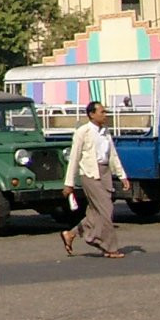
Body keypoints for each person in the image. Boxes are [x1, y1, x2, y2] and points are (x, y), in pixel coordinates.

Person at [61, 101, 129, 260]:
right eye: (102, 112)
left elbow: (112, 156)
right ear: (92, 114)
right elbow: (74, 158)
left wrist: (122, 176)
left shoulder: (105, 132)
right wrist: (69, 184)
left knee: (95, 214)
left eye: (105, 112)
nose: (105, 115)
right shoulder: (82, 132)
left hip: (105, 173)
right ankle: (110, 247)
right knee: (106, 209)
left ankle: (71, 234)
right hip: (90, 174)